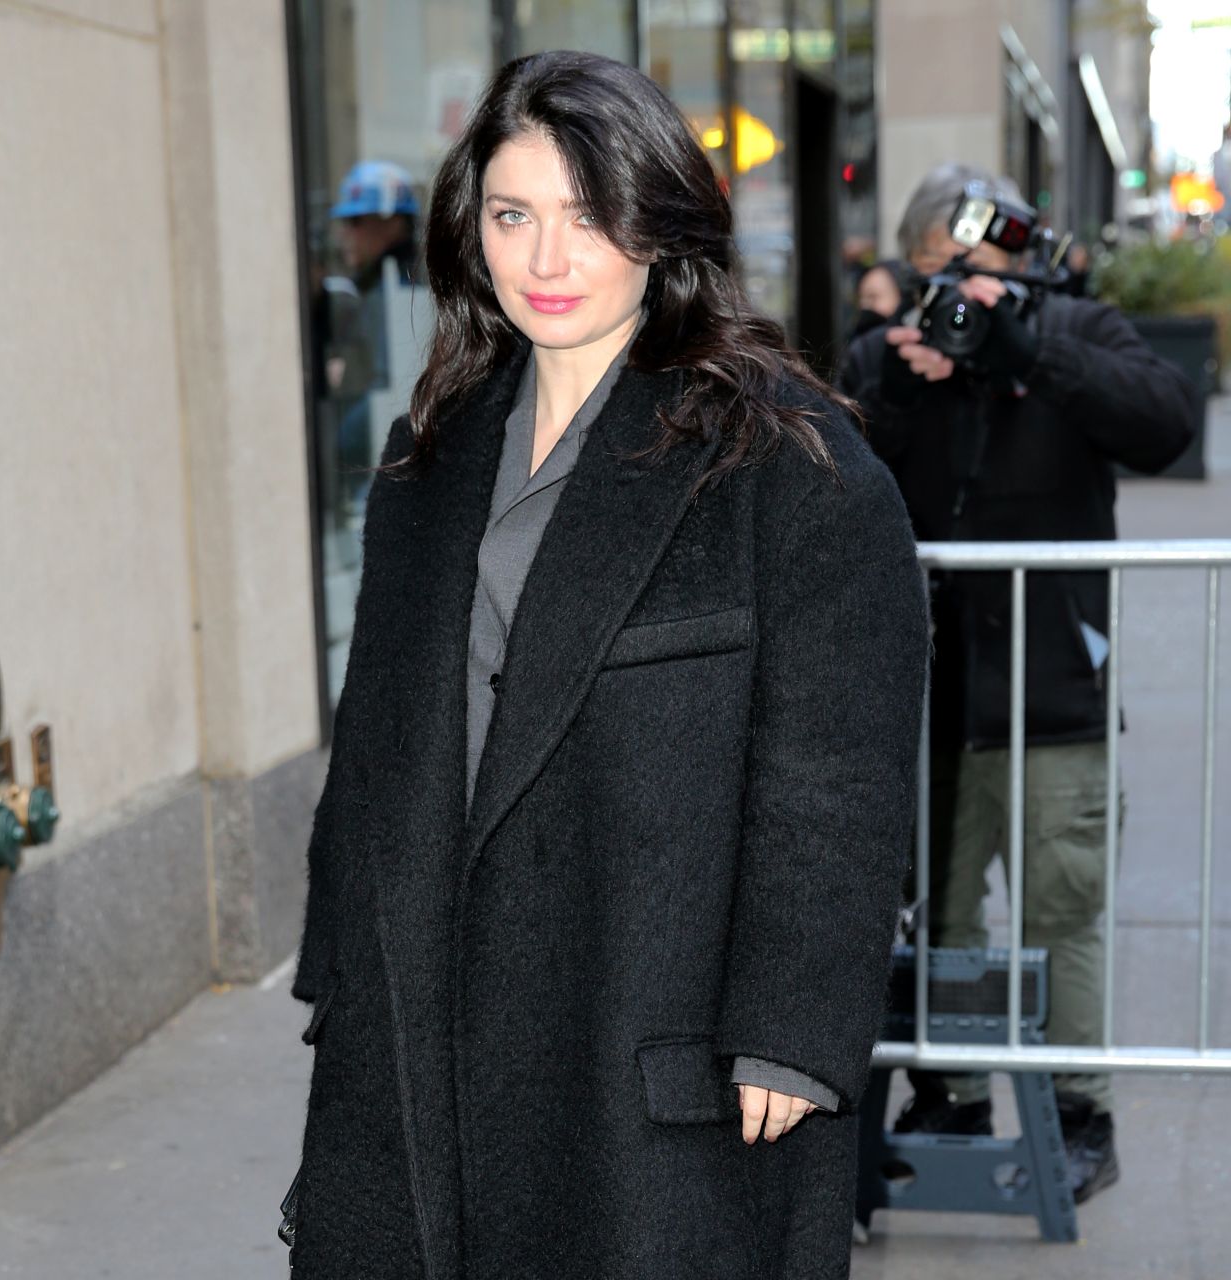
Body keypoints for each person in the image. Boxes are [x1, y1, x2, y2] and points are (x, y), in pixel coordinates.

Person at [286, 50, 928, 1279]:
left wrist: (793, 1026)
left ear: (658, 220)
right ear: (469, 233)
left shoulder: (784, 462)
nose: (545, 261)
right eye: (513, 215)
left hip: (647, 1009)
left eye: (588, 217)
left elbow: (836, 772)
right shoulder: (434, 455)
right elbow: (376, 734)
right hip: (424, 998)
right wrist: (338, 963)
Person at [840, 163, 1196, 1205]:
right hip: (929, 707)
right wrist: (902, 388)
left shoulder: (1075, 335)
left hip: (1054, 697)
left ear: (1024, 270)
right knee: (940, 915)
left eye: (981, 272)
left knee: (1062, 916)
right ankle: (947, 1092)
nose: (960, 293)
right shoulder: (886, 354)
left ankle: (1081, 1111)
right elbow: (824, 464)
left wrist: (1030, 354)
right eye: (938, 273)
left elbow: (1166, 422)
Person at [328, 160, 420, 488]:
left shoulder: (398, 289)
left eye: (355, 221)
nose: (344, 234)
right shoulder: (382, 286)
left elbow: (395, 386)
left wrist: (335, 448)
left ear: (391, 221)